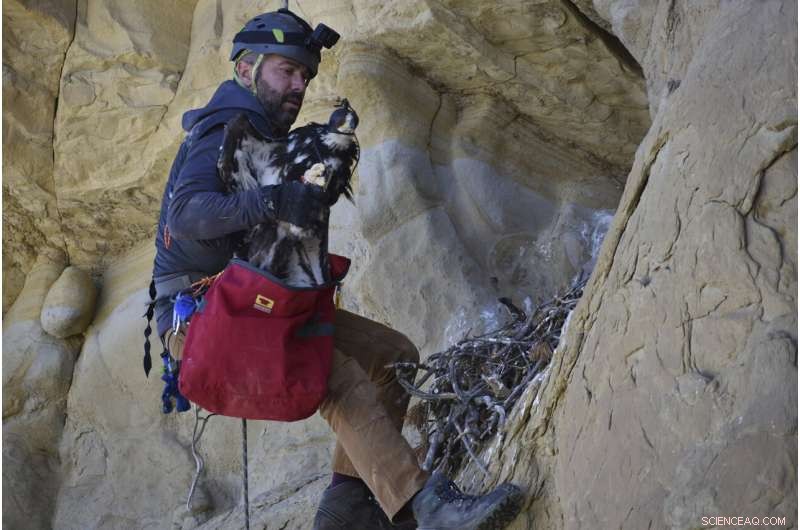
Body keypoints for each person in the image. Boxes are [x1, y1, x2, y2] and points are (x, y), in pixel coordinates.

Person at [151, 8, 522, 529]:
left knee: (390, 355)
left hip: (244, 302)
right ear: (245, 70)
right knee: (338, 376)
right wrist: (276, 200)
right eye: (287, 71)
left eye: (306, 75)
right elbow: (187, 216)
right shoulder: (221, 128)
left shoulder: (260, 134)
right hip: (200, 315)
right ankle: (426, 508)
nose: (299, 84)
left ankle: (346, 511)